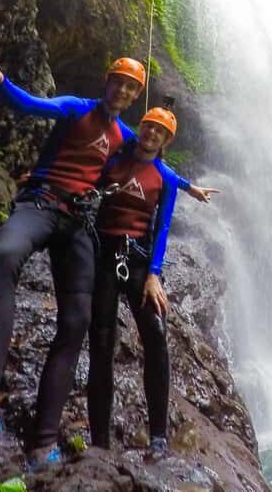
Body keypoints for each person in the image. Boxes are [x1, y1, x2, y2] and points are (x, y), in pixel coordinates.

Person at [0, 44, 216, 470]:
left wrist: (187, 188)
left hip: (80, 226)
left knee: (78, 322)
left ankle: (43, 445)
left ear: (136, 96)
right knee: (4, 256)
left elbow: (157, 167)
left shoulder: (126, 138)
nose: (122, 90)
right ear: (107, 81)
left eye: (131, 87)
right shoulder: (76, 109)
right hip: (42, 205)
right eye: (118, 81)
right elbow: (32, 105)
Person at [87, 105, 190, 460]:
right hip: (104, 255)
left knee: (156, 338)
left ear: (165, 141)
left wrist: (154, 275)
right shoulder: (114, 160)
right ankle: (99, 440)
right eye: (148, 127)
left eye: (159, 132)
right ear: (141, 129)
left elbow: (162, 228)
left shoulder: (165, 177)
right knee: (100, 341)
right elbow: (88, 188)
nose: (151, 134)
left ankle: (158, 437)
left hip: (138, 260)